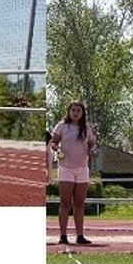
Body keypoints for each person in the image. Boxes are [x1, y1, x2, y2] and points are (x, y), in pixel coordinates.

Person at [48, 101, 96, 246]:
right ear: (69, 112)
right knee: (65, 202)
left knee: (80, 203)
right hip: (66, 167)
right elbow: (53, 142)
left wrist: (92, 150)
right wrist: (57, 150)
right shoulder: (62, 126)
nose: (75, 113)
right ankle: (63, 235)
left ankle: (80, 235)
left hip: (82, 168)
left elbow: (91, 144)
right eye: (73, 110)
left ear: (82, 113)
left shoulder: (86, 128)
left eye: (78, 111)